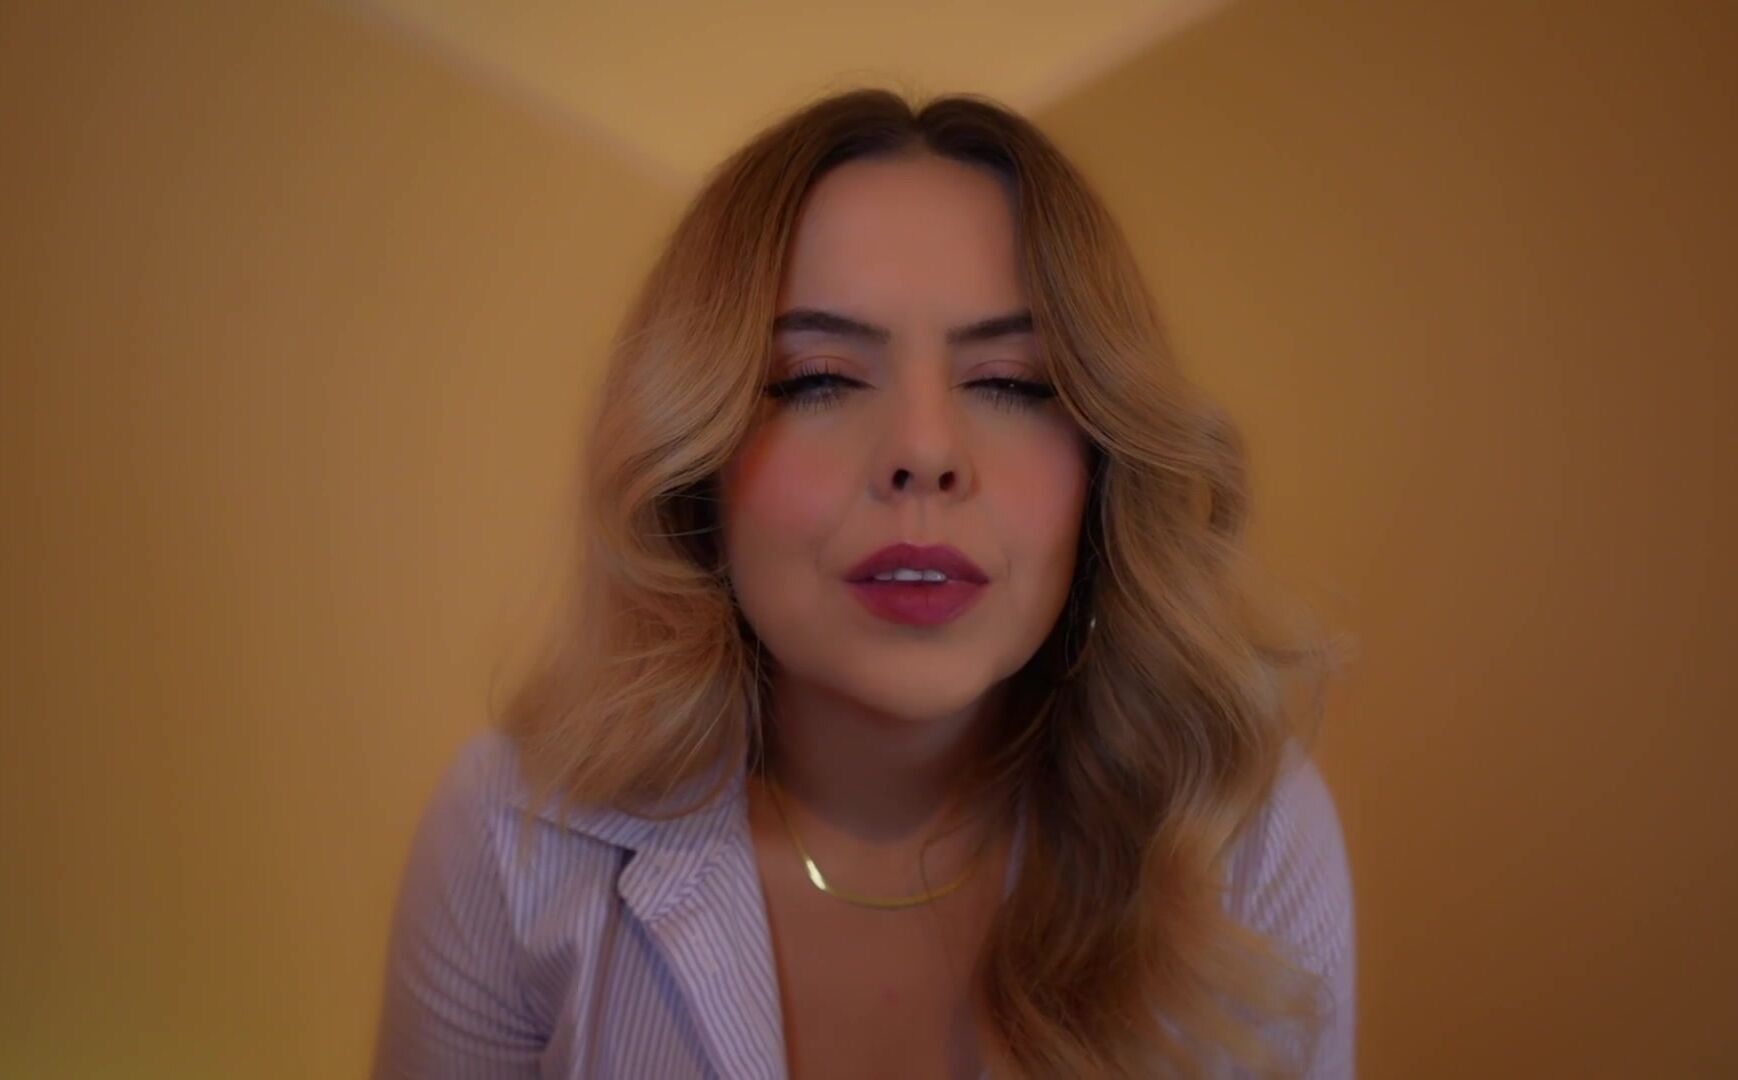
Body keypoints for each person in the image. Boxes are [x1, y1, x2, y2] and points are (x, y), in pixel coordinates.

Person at [372, 88, 1354, 1079]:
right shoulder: (514, 833)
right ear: (698, 460)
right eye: (817, 379)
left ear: (1104, 463)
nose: (923, 451)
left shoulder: (1240, 836)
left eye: (1013, 382)